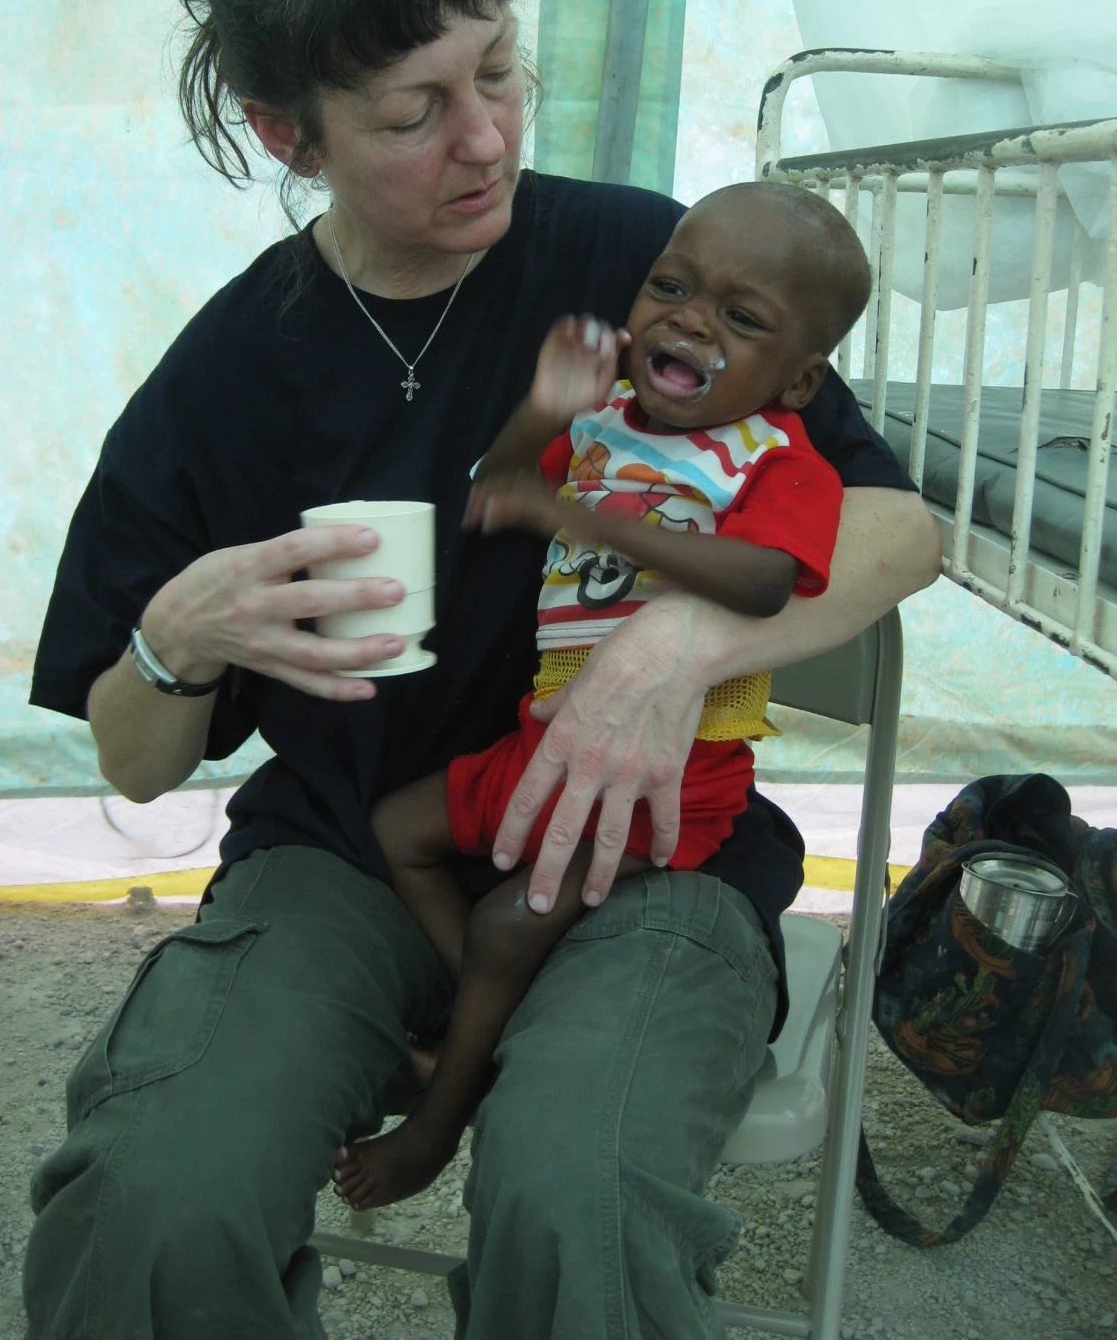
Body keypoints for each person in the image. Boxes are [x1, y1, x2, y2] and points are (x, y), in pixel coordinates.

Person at [22, 0, 941, 1340]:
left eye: (499, 70)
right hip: (346, 856)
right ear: (285, 132)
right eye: (413, 111)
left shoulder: (644, 264)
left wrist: (674, 652)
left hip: (652, 855)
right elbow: (130, 751)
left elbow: (896, 524)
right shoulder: (231, 376)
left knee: (575, 1200)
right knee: (155, 1199)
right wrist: (179, 637)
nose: (490, 136)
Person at [334, 180, 871, 1212]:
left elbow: (766, 580)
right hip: (547, 737)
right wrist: (549, 404)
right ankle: (501, 1020)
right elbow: (496, 490)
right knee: (398, 827)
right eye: (669, 285)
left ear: (798, 380)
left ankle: (440, 1116)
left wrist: (594, 525)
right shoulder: (605, 427)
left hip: (676, 770)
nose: (687, 317)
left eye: (740, 317)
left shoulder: (776, 457)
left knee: (504, 923)